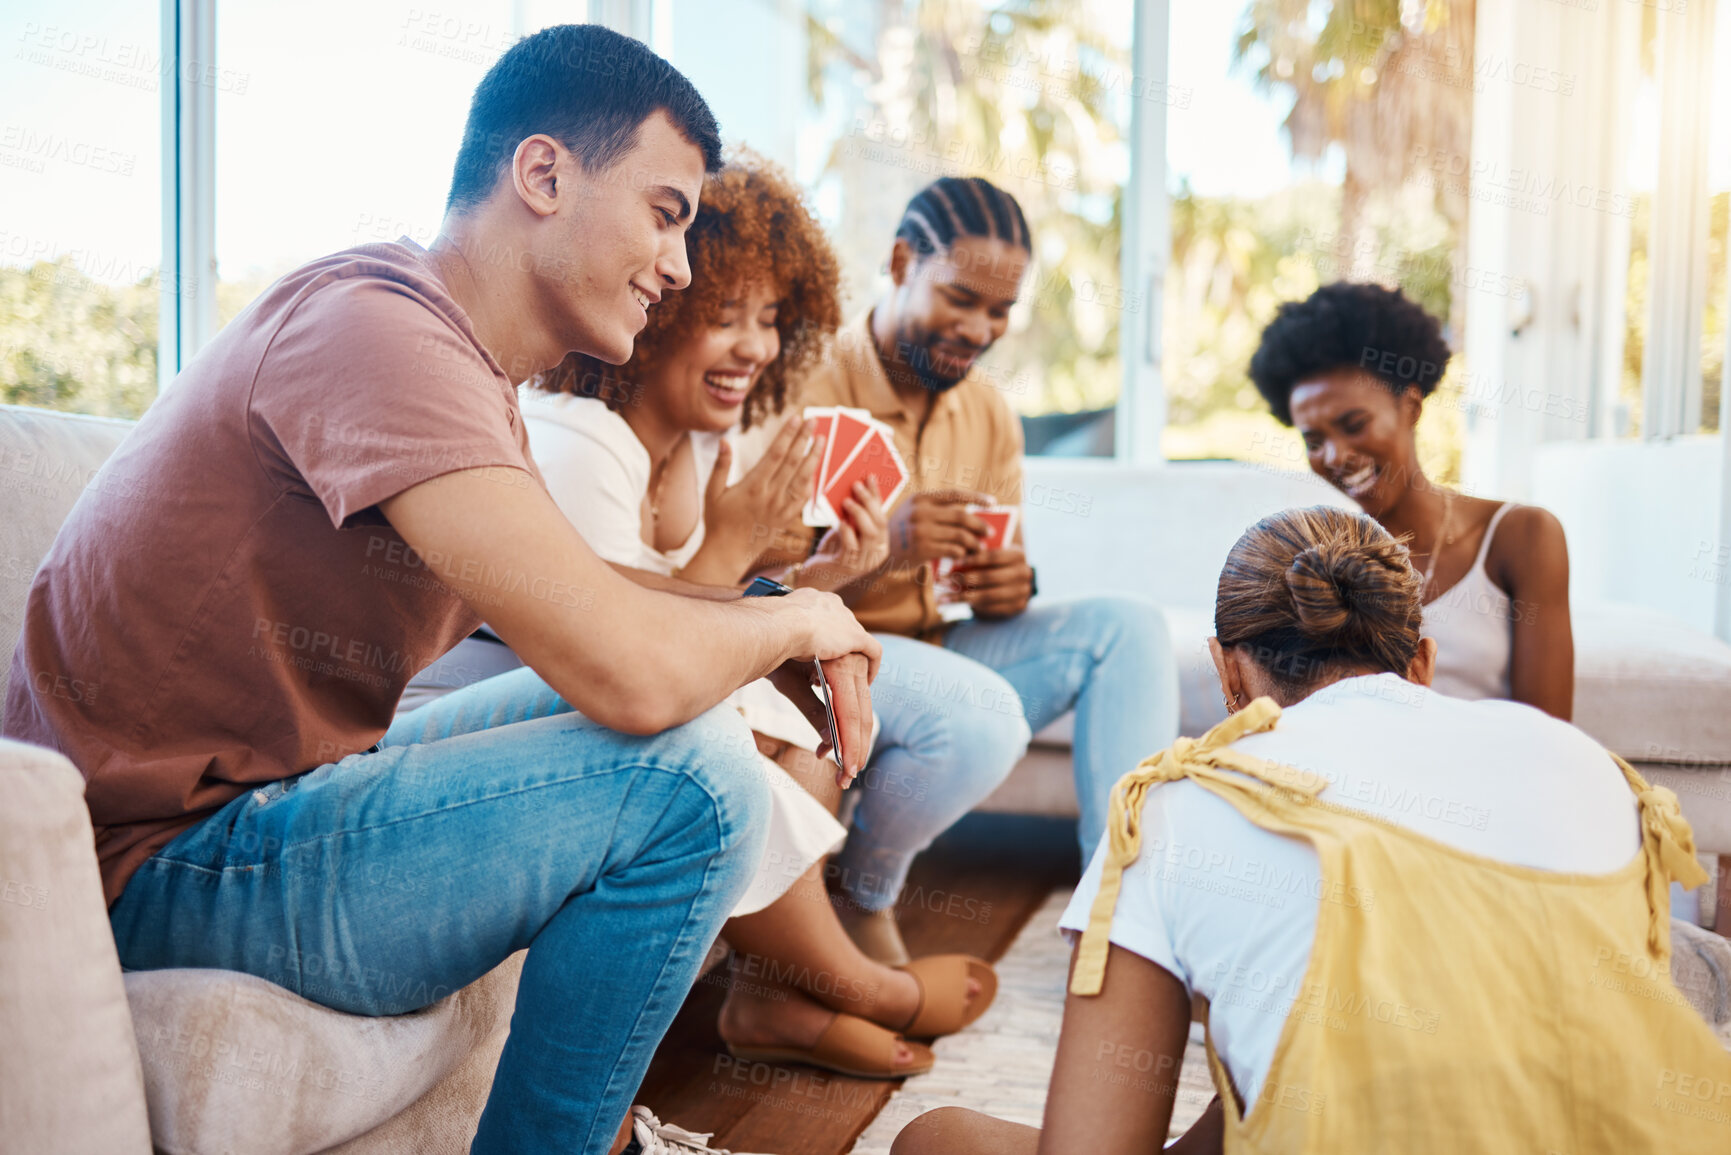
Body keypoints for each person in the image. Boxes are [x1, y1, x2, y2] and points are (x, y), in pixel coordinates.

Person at [3, 26, 883, 1155]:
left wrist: (777, 608)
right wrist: (795, 618)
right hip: (157, 869)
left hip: (265, 808)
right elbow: (623, 669)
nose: (679, 267)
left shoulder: (454, 369)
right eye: (667, 214)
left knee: (698, 717)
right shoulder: (376, 328)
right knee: (691, 782)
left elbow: (585, 590)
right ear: (545, 174)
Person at [891, 505, 1724, 1154]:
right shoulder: (1579, 761)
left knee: (934, 1139)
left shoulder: (1174, 806)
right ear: (1421, 664)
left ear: (1226, 673)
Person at [414, 153, 996, 1079]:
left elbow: (694, 595)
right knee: (747, 712)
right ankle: (852, 980)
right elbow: (613, 627)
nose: (757, 348)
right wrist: (736, 555)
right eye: (725, 317)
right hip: (514, 710)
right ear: (656, 313)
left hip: (626, 681)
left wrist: (821, 572)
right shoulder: (577, 437)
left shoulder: (691, 442)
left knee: (804, 716)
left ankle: (769, 996)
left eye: (770, 321)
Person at [761, 175, 1179, 964]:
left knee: (1130, 626)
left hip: (934, 649)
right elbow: (756, 590)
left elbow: (985, 581)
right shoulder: (803, 384)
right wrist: (887, 540)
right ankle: (862, 894)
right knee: (981, 713)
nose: (980, 328)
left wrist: (1011, 588)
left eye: (1000, 311)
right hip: (820, 659)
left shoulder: (986, 410)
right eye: (960, 298)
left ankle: (1124, 918)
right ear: (897, 262)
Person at [1247, 282, 1573, 719]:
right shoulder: (1319, 560)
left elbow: (1547, 735)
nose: (1336, 455)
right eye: (1314, 440)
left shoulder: (1522, 536)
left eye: (1354, 423)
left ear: (1411, 407)